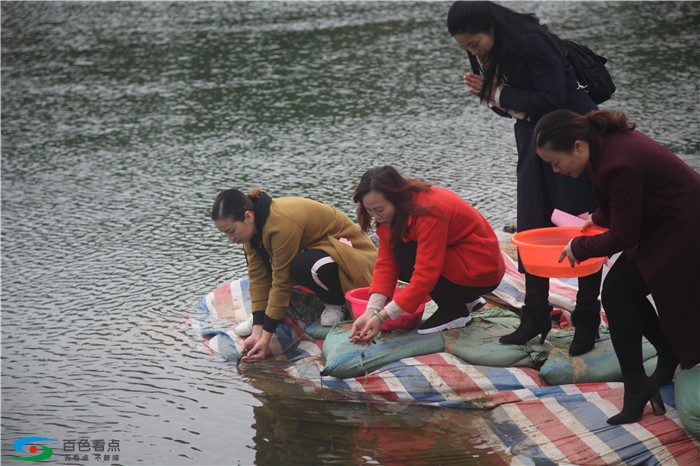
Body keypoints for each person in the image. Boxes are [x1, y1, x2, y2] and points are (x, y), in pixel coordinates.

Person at [446, 1, 603, 356]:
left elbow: (554, 99)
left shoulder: (533, 40)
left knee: (581, 227)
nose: (472, 52)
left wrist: (497, 93)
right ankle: (535, 315)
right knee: (531, 227)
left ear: (492, 27)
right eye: (465, 47)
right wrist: (495, 97)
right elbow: (515, 107)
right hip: (533, 141)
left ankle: (589, 318)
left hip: (570, 141)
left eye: (474, 43)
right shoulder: (487, 50)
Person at [533, 108, 700, 426]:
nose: (555, 170)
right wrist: (596, 218)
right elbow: (625, 200)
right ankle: (664, 359)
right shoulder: (603, 144)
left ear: (577, 147)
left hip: (685, 226)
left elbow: (625, 234)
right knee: (619, 293)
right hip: (665, 220)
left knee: (619, 294)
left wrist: (578, 247)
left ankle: (640, 384)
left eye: (556, 161)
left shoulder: (617, 161)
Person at [212, 188, 377, 361]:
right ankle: (263, 317)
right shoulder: (251, 231)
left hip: (351, 252)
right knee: (270, 267)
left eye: (231, 231)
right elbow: (258, 277)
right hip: (318, 250)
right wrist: (257, 331)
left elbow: (281, 281)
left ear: (248, 217)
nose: (230, 238)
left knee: (301, 266)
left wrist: (266, 338)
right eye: (225, 234)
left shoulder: (281, 223)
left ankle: (337, 302)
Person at [348, 166, 505, 343]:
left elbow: (426, 274)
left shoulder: (429, 211)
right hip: (460, 261)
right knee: (399, 257)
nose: (376, 217)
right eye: (369, 210)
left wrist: (383, 316)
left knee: (406, 253)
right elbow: (386, 262)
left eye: (380, 209)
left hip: (482, 270)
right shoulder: (392, 214)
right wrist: (371, 311)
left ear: (396, 199)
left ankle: (454, 311)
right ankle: (466, 300)